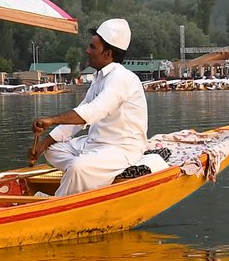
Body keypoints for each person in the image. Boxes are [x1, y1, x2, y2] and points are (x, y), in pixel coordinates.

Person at [27, 19, 149, 197]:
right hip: (94, 144)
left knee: (77, 167)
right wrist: (42, 145)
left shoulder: (122, 78)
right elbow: (80, 115)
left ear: (108, 53)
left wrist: (52, 120)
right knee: (52, 150)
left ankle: (58, 199)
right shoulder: (99, 77)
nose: (87, 51)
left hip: (122, 148)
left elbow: (93, 111)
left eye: (92, 47)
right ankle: (89, 175)